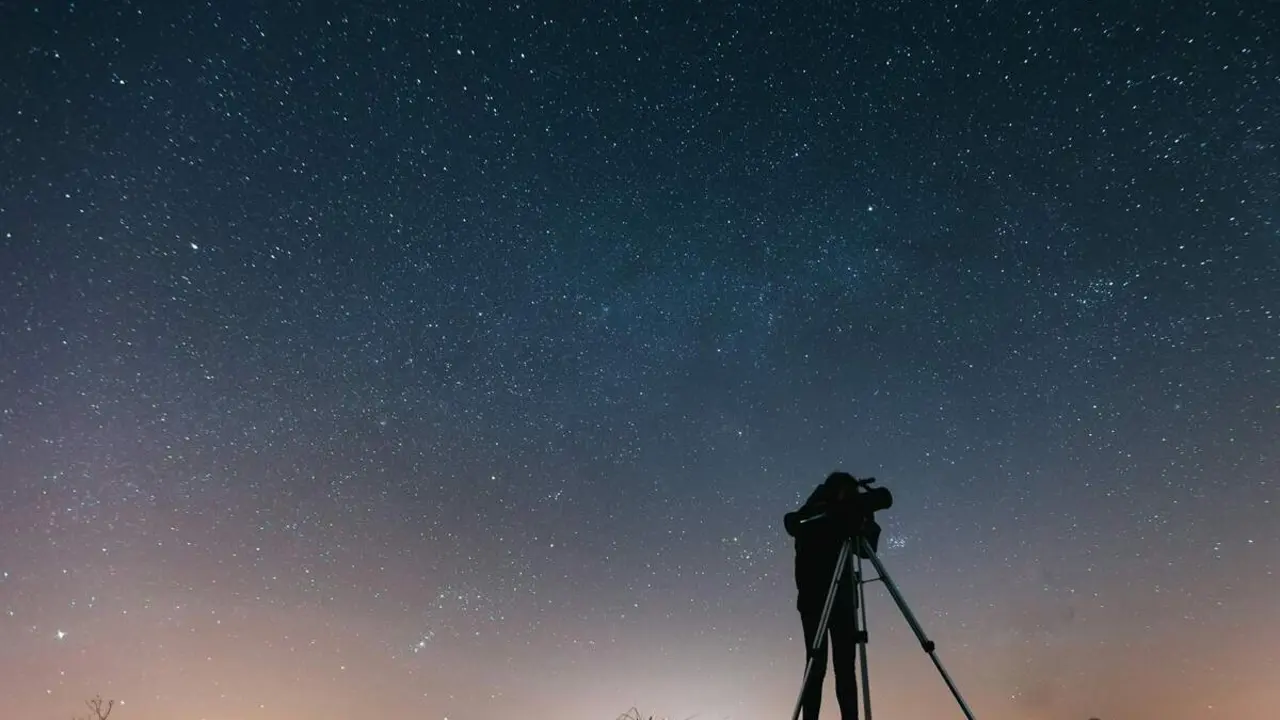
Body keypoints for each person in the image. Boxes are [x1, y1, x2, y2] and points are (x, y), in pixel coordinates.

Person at [784, 472, 862, 720]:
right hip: (816, 601)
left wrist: (859, 521)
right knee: (816, 666)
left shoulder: (845, 517)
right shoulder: (814, 515)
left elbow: (868, 549)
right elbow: (795, 525)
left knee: (846, 669)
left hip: (843, 601)